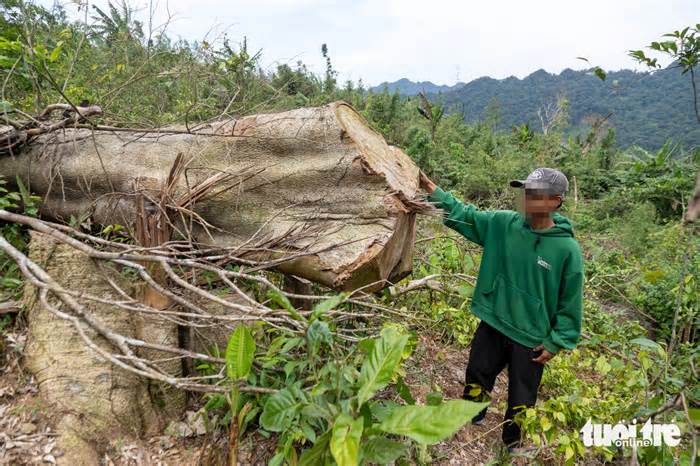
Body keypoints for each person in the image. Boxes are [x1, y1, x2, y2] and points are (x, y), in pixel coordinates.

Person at [419, 167, 584, 451]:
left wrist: (557, 342)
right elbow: (466, 217)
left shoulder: (567, 250)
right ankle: (470, 418)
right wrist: (435, 192)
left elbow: (570, 301)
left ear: (556, 201)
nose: (529, 200)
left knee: (522, 397)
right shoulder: (503, 224)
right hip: (494, 320)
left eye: (537, 195)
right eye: (527, 193)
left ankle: (512, 443)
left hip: (531, 336)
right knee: (477, 373)